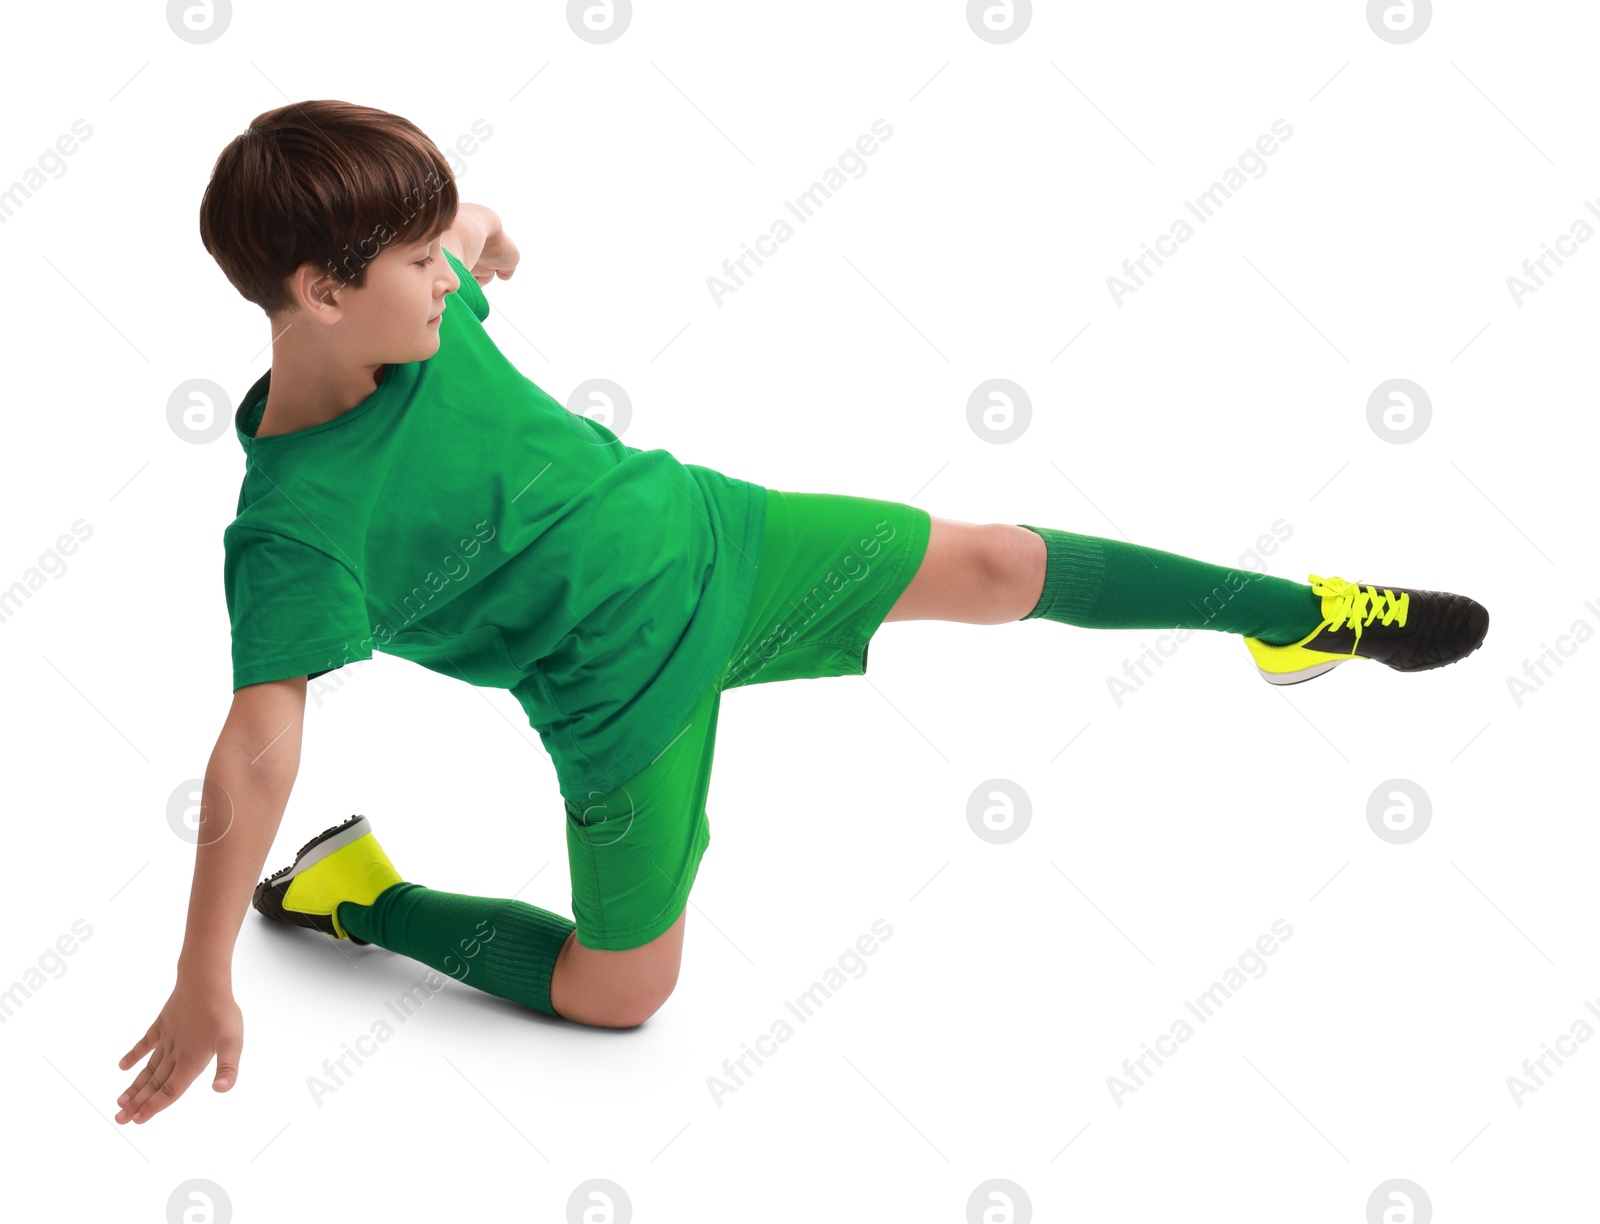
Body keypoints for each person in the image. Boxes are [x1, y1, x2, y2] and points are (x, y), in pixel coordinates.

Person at [113, 100, 1489, 1126]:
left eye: (434, 256)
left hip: (729, 536)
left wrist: (480, 228)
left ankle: (1290, 615)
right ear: (317, 292)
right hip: (621, 701)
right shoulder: (297, 523)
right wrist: (202, 968)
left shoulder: (415, 311)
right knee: (619, 997)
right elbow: (254, 747)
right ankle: (363, 894)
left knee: (1001, 563)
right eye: (414, 263)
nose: (444, 279)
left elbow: (466, 235)